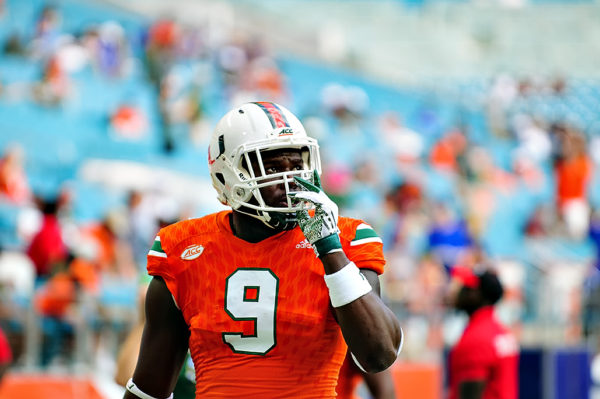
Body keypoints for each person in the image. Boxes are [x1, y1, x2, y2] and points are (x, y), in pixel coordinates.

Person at [123, 101, 402, 398]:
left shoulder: (346, 239)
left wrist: (329, 247)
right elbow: (149, 387)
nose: (290, 180)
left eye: (297, 166)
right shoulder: (183, 249)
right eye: (270, 167)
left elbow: (378, 355)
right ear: (228, 175)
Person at [447, 267, 518, 399]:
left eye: (466, 288)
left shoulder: (476, 338)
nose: (460, 291)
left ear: (477, 295)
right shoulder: (500, 331)